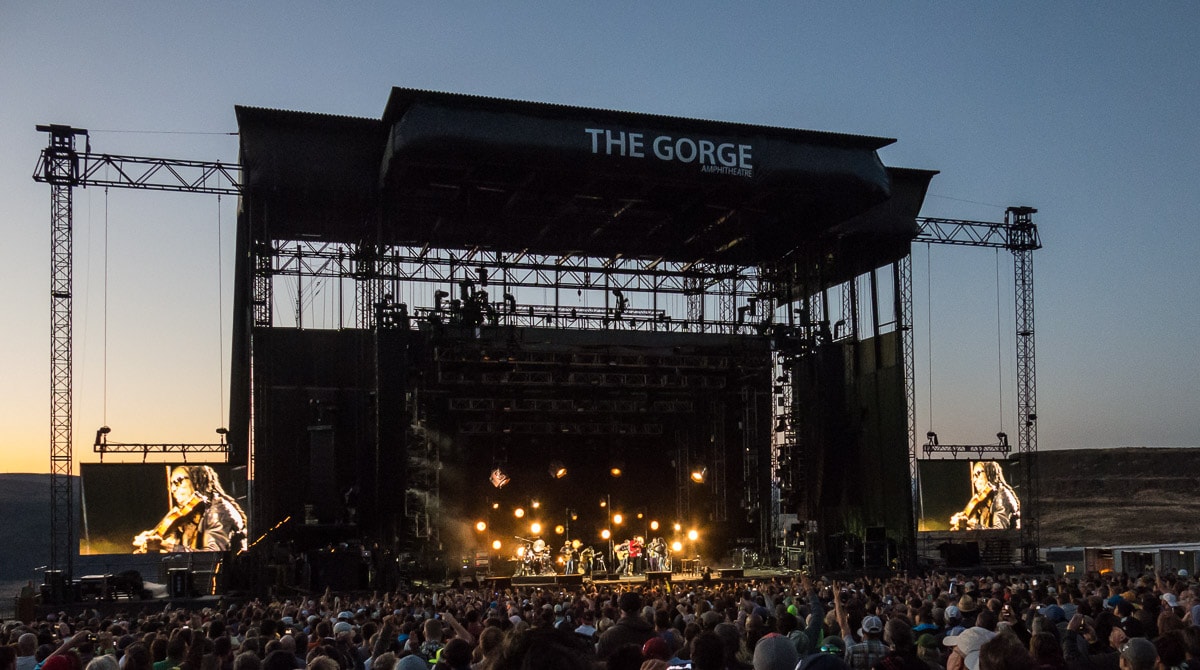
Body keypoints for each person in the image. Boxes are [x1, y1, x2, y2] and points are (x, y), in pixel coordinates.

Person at [133, 465, 248, 553]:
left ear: (198, 481)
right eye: (171, 484)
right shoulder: (186, 512)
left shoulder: (218, 511)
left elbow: (213, 557)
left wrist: (164, 545)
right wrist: (151, 537)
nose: (173, 489)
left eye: (178, 482)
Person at [950, 461, 1021, 531]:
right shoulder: (986, 499)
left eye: (978, 474)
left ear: (990, 474)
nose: (974, 480)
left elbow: (999, 532)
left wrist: (972, 526)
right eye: (973, 476)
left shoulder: (1002, 496)